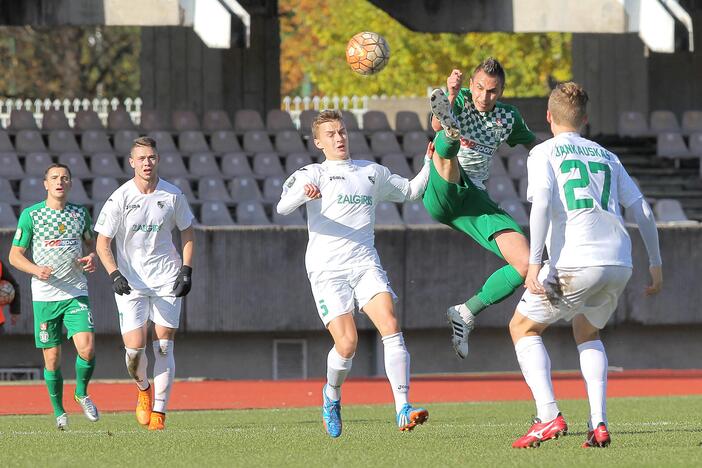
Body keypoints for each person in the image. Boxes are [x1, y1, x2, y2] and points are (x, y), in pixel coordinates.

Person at [508, 82, 663, 449]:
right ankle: (599, 424)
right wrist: (655, 264)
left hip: (578, 260)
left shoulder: (543, 152)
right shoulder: (608, 156)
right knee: (587, 331)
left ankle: (547, 417)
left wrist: (533, 264)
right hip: (619, 263)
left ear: (548, 116)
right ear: (586, 119)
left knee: (522, 328)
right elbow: (641, 209)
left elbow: (542, 204)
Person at [277, 110, 430, 437]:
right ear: (319, 142)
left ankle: (403, 407)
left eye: (342, 131)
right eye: (331, 134)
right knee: (347, 344)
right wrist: (303, 194)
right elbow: (283, 207)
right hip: (327, 269)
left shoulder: (371, 173)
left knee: (390, 324)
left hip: (364, 262)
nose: (339, 138)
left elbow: (412, 191)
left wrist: (430, 163)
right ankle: (331, 395)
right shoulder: (313, 173)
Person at [427, 57, 539, 359]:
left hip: (474, 199)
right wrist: (450, 97)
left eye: (491, 91)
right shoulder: (461, 98)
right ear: (471, 85)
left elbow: (536, 146)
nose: (483, 96)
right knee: (445, 144)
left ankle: (465, 312)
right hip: (441, 189)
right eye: (479, 88)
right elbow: (435, 122)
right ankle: (451, 137)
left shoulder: (508, 117)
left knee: (526, 263)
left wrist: (562, 150)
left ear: (500, 92)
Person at [95, 136, 194, 431]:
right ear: (132, 162)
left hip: (166, 278)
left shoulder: (172, 195)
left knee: (163, 346)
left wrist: (186, 270)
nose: (147, 163)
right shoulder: (120, 198)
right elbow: (103, 244)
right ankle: (143, 388)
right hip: (131, 283)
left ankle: (160, 413)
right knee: (135, 351)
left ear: (157, 159)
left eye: (151, 157)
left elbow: (188, 233)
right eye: (141, 158)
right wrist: (114, 274)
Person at [8, 163, 99, 430]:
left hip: (75, 292)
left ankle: (81, 393)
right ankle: (59, 411)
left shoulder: (80, 214)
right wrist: (36, 269)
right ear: (45, 184)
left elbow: (92, 245)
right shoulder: (31, 215)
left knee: (88, 348)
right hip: (46, 296)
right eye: (54, 178)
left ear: (70, 184)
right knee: (52, 359)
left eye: (65, 178)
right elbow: (15, 256)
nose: (60, 181)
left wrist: (91, 257)